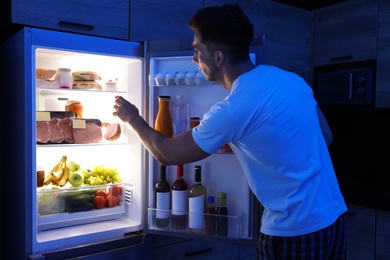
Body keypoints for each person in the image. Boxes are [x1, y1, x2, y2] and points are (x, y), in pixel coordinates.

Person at [113, 4, 347, 259]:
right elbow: (326, 136)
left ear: (217, 57)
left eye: (196, 50)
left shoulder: (233, 109)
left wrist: (133, 118)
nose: (193, 59)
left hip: (292, 230)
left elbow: (167, 153)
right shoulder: (290, 79)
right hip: (332, 217)